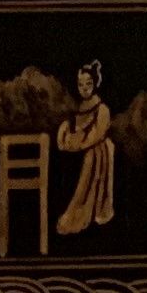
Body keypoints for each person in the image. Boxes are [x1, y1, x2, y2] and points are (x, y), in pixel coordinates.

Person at [54, 63, 117, 237]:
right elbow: (73, 131)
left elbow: (94, 135)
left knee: (90, 160)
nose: (84, 88)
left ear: (95, 84)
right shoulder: (78, 110)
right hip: (78, 151)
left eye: (88, 83)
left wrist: (74, 142)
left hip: (95, 152)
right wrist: (67, 138)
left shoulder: (102, 109)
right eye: (80, 84)